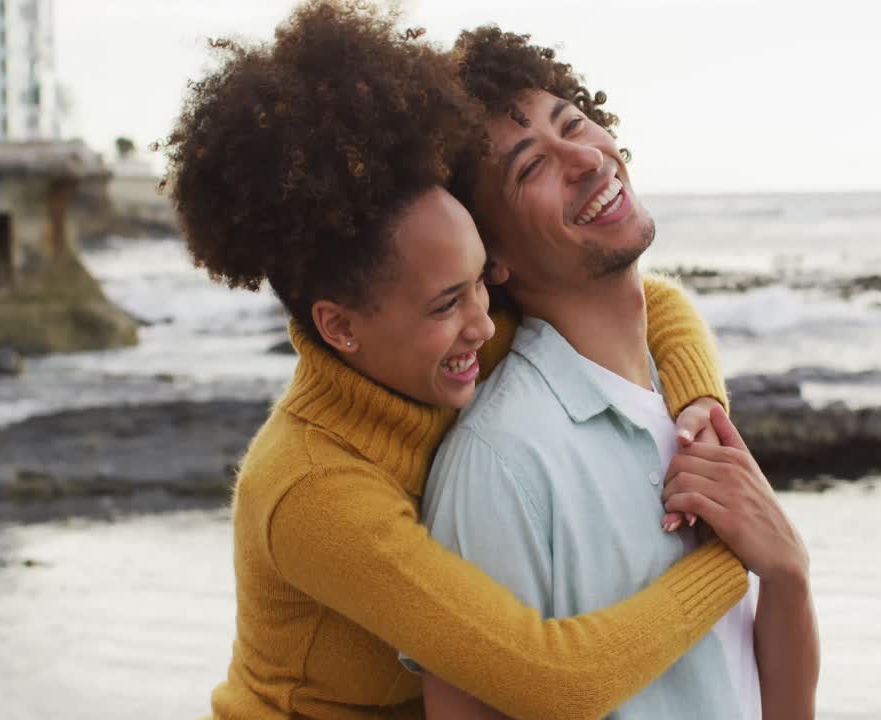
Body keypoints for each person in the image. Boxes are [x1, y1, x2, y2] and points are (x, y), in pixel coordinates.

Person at [166, 2, 759, 718]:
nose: (483, 319)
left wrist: (701, 403)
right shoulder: (311, 490)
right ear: (340, 327)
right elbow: (555, 679)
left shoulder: (453, 338)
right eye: (448, 303)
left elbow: (651, 303)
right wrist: (738, 556)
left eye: (482, 280)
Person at [416, 26, 821, 719]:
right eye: (530, 167)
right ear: (491, 254)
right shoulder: (501, 466)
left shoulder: (682, 403)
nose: (582, 157)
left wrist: (787, 573)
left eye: (573, 123)